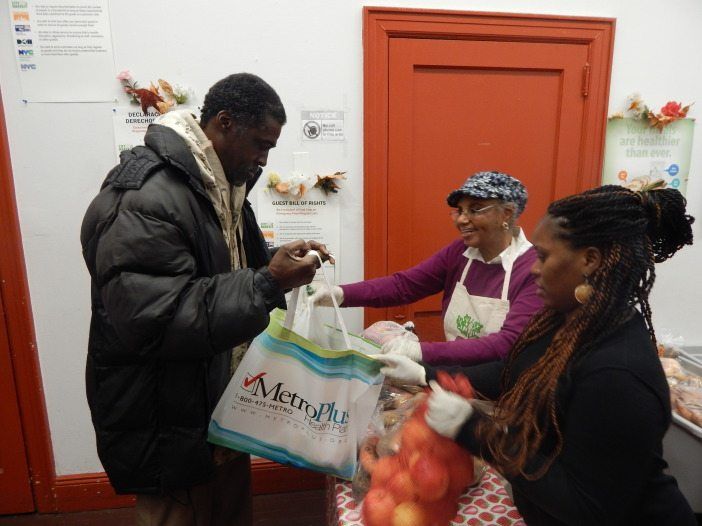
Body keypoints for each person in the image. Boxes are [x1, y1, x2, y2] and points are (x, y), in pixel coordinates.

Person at [81, 73, 331, 526]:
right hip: (167, 409)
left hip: (216, 399)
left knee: (227, 511)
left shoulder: (222, 183)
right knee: (180, 513)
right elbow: (155, 317)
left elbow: (223, 270)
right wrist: (267, 283)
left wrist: (277, 262)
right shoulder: (147, 195)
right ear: (224, 122)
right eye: (260, 143)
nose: (263, 157)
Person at [375, 185, 697, 525]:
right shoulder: (565, 319)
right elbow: (514, 373)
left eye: (543, 257)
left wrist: (473, 428)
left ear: (590, 260)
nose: (533, 269)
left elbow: (585, 507)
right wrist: (425, 373)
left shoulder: (618, 373)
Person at [312, 170, 542, 365]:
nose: (462, 219)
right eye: (459, 210)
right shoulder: (460, 253)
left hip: (505, 387)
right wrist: (339, 294)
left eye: (475, 209)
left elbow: (507, 344)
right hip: (457, 376)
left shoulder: (533, 270)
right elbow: (404, 286)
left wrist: (420, 352)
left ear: (507, 214)